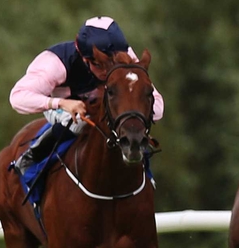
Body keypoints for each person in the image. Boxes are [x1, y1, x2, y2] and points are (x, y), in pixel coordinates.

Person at [9, 16, 164, 176]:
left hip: (103, 104)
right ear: (85, 58)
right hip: (63, 105)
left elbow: (157, 108)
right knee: (77, 123)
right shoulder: (54, 63)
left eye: (113, 63)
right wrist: (61, 103)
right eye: (100, 65)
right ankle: (32, 156)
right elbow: (17, 98)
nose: (107, 71)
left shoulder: (124, 55)